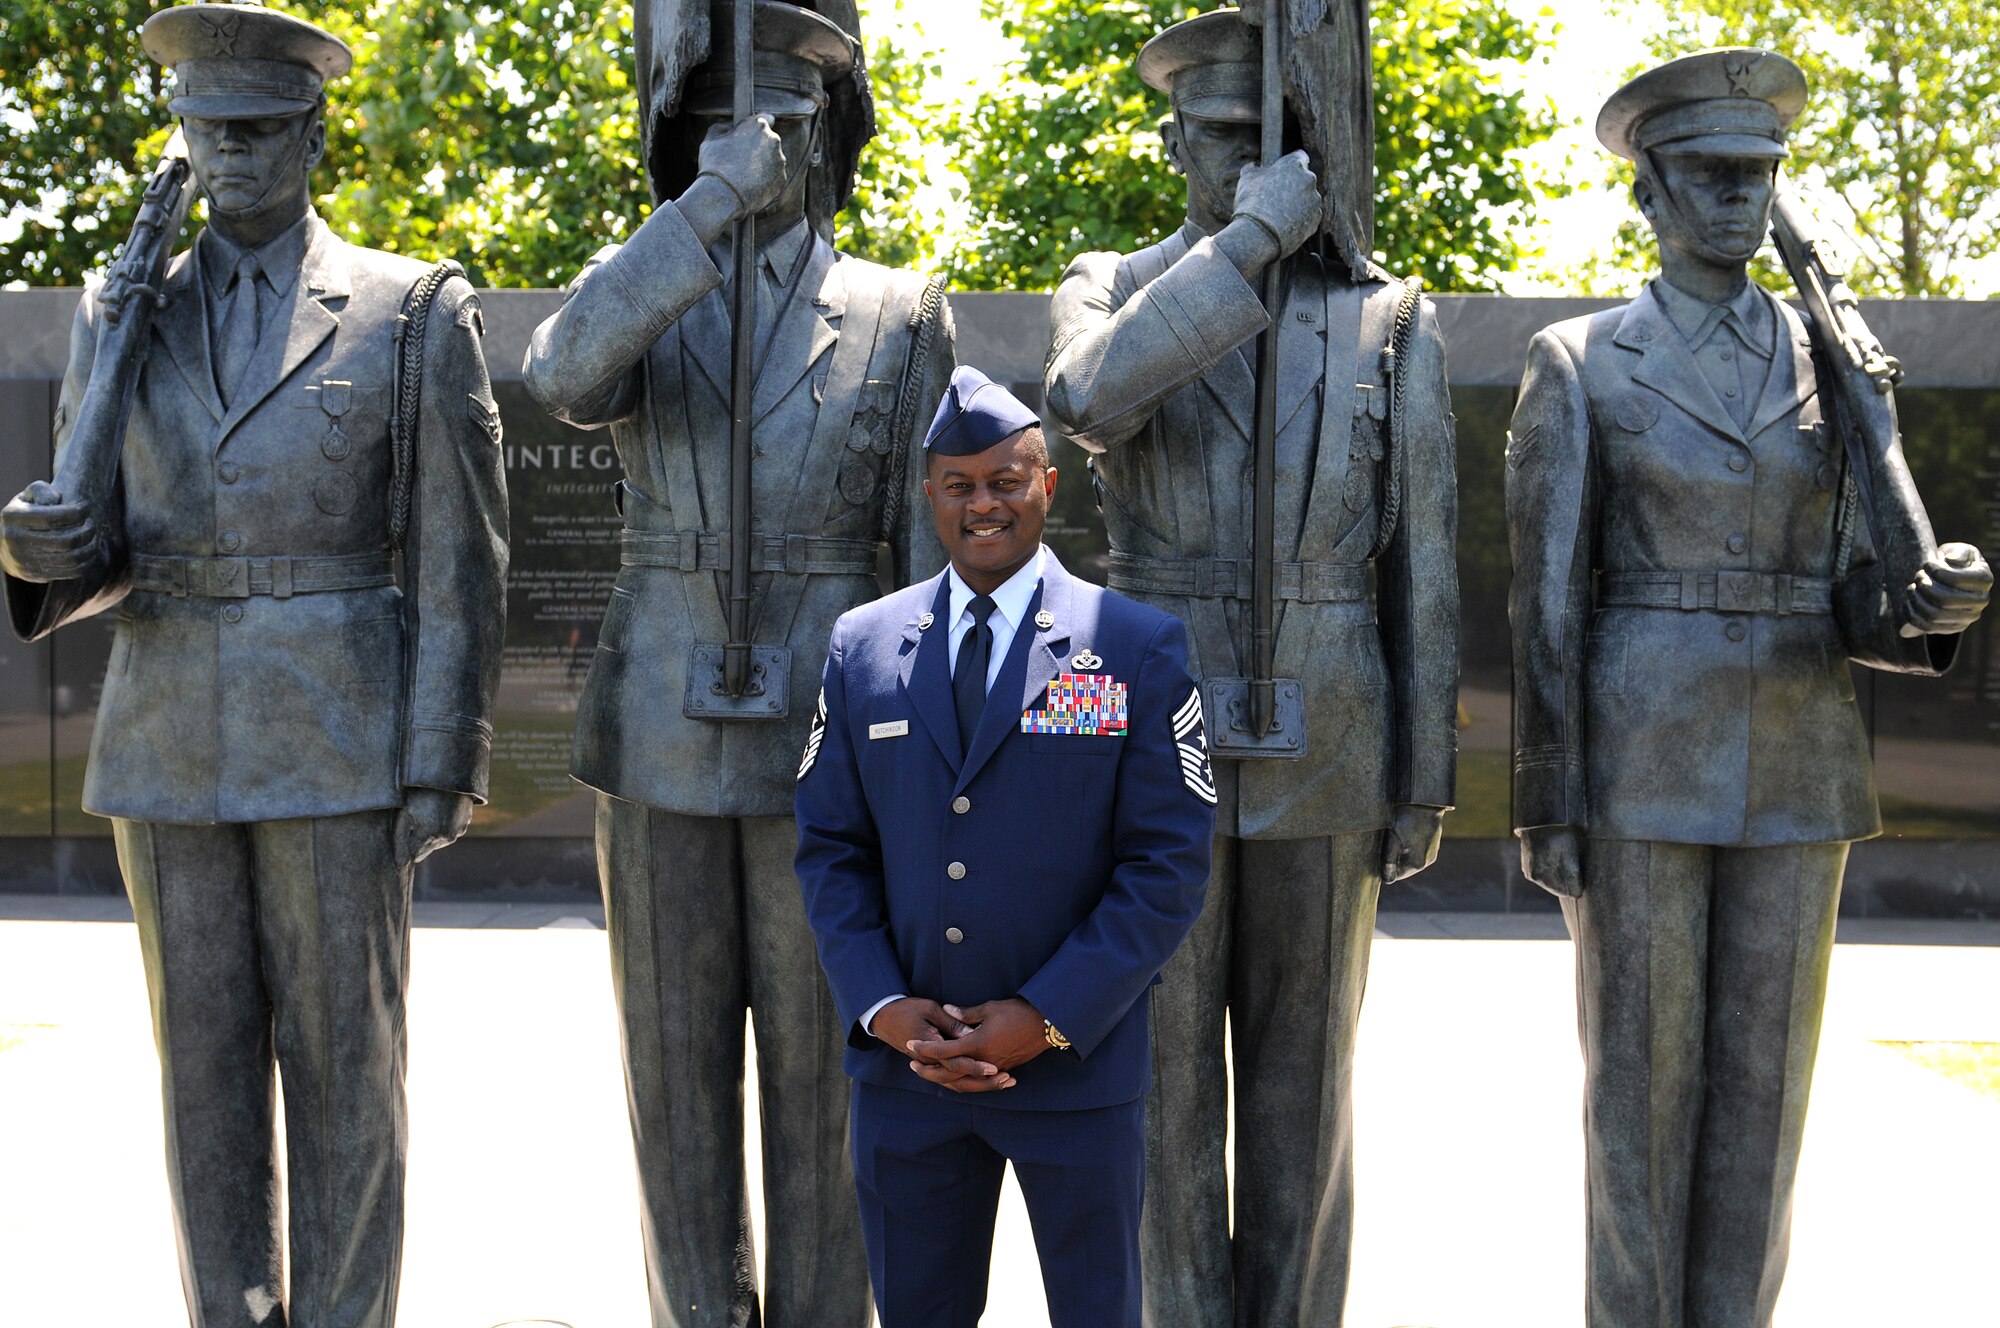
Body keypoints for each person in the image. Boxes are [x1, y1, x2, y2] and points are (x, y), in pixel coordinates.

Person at [0, 5, 508, 1325]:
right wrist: (33, 550)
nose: (228, 157)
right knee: (203, 1088)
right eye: (206, 130)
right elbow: (95, 551)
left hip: (338, 733)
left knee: (348, 1079)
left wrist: (441, 763)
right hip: (167, 738)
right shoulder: (125, 318)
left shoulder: (409, 310)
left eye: (257, 131)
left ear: (310, 130)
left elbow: (461, 563)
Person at [1507, 47, 1992, 1327]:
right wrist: (1544, 797)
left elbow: (1849, 590)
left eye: (1758, 175)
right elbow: (1546, 597)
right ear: (1650, 194)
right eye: (1711, 174)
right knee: (1638, 1103)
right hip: (1635, 757)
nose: (1736, 197)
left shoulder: (1836, 369)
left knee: (1763, 1105)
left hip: (1797, 759)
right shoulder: (1582, 362)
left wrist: (1921, 606)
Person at [520, 2, 954, 1322]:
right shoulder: (655, 280)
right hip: (659, 728)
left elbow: (928, 568)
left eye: (788, 119)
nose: (758, 144)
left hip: (839, 754)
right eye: (721, 124)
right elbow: (559, 372)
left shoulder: (897, 308)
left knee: (836, 1082)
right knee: (675, 1084)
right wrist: (701, 216)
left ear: (835, 138)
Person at [1041, 8, 1459, 1323]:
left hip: (1329, 722)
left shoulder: (1387, 315)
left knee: (1305, 1090)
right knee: (1153, 1083)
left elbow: (1426, 568)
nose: (1247, 161)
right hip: (1140, 719)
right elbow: (1088, 401)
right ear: (1175, 138)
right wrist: (1249, 244)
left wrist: (1427, 776)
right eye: (1223, 138)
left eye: (1274, 142)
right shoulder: (1107, 283)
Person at [794, 366, 1216, 1327]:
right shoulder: (863, 647)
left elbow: (1169, 862)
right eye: (960, 485)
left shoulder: (1134, 645)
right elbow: (830, 847)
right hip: (909, 1073)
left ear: (1047, 486)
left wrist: (1048, 1013)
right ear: (931, 495)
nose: (983, 504)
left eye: (1005, 481)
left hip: (1075, 1070)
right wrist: (884, 1007)